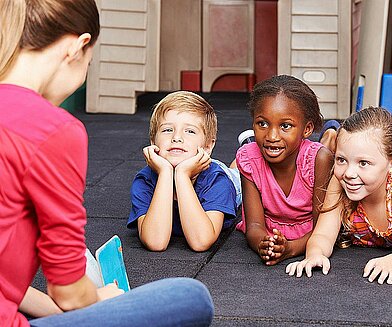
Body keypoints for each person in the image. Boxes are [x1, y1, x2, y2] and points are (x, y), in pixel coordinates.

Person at [0, 1, 213, 325]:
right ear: (78, 47)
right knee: (191, 298)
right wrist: (101, 302)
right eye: (90, 63)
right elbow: (68, 292)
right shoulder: (54, 129)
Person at [286, 107, 392, 284]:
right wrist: (315, 255)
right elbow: (323, 235)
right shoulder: (340, 183)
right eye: (341, 160)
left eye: (363, 163)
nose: (349, 173)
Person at [236, 75, 335, 266]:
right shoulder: (248, 159)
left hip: (309, 232)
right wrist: (262, 244)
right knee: (246, 156)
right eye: (262, 124)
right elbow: (254, 225)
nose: (272, 136)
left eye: (285, 126)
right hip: (271, 227)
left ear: (307, 129)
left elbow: (323, 228)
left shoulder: (319, 160)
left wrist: (291, 249)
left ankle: (331, 135)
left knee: (336, 154)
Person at [128, 91, 239, 252]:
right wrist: (166, 173)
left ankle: (246, 152)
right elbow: (155, 242)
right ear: (153, 141)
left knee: (241, 175)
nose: (177, 137)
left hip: (223, 175)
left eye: (190, 131)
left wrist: (181, 175)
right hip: (191, 165)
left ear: (208, 146)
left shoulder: (218, 180)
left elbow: (201, 242)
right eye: (167, 130)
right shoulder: (144, 180)